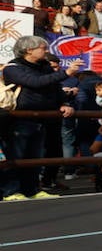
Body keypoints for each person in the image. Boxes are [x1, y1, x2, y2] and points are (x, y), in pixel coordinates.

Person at [1, 36, 82, 201]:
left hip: (42, 118)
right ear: (29, 50)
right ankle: (11, 191)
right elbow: (35, 82)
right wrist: (65, 73)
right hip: (18, 119)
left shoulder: (44, 66)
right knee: (16, 156)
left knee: (35, 157)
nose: (46, 51)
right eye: (43, 48)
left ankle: (31, 189)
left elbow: (54, 88)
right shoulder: (13, 68)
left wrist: (64, 102)